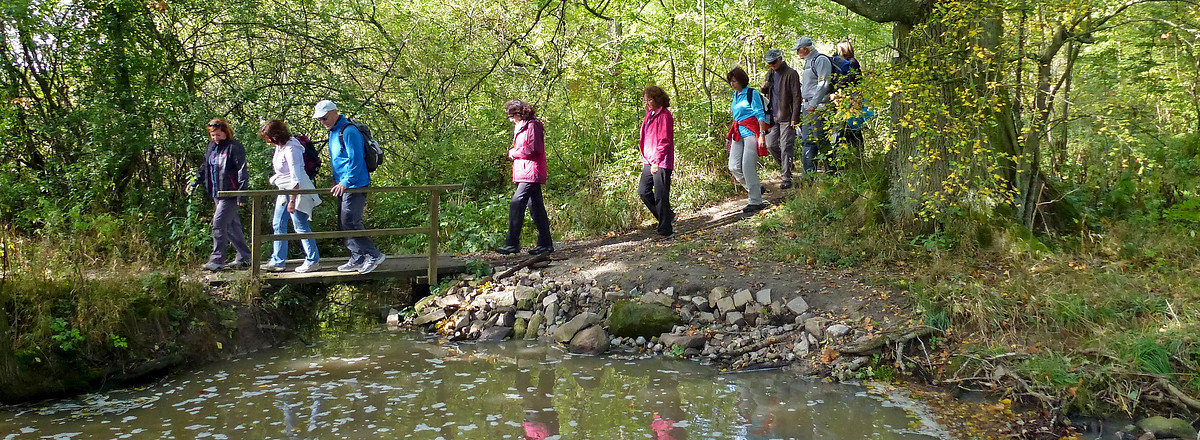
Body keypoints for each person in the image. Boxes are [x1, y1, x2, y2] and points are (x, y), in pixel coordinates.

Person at [312, 100, 386, 274]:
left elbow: (356, 160)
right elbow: (339, 160)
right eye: (320, 119)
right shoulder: (333, 132)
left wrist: (345, 182)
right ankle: (357, 257)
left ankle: (374, 254)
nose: (322, 122)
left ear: (334, 112)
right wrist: (336, 180)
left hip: (355, 184)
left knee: (350, 220)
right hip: (343, 184)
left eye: (324, 118)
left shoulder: (349, 131)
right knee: (344, 222)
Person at [258, 120, 322, 273]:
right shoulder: (280, 147)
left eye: (268, 137)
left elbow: (295, 177)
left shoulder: (292, 149)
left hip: (298, 191)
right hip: (284, 190)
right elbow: (282, 171)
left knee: (300, 225)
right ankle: (278, 260)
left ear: (275, 135)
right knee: (278, 223)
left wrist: (293, 200)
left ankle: (313, 260)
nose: (267, 141)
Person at [187, 118, 251, 272]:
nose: (215, 138)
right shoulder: (211, 147)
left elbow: (242, 170)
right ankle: (245, 257)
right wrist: (194, 182)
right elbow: (205, 167)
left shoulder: (234, 147)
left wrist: (242, 194)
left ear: (226, 133)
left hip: (230, 192)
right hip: (216, 192)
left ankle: (217, 260)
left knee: (219, 224)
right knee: (232, 226)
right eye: (213, 135)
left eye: (218, 135)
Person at [497, 99, 554, 255]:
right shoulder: (522, 127)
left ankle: (512, 243)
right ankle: (545, 244)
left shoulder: (533, 126)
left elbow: (534, 149)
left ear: (519, 113)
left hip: (532, 172)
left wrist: (514, 153)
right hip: (525, 172)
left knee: (516, 204)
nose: (510, 119)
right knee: (536, 208)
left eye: (511, 116)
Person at [724, 67, 769, 213]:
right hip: (737, 133)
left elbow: (760, 114)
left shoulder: (751, 93)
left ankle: (756, 201)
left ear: (741, 80)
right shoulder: (735, 95)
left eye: (734, 81)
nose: (732, 84)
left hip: (751, 133)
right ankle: (756, 188)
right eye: (730, 81)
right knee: (734, 166)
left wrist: (762, 134)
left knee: (747, 166)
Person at [760, 48, 802, 189]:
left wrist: (795, 117)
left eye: (774, 62)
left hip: (787, 116)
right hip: (773, 116)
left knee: (786, 147)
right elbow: (767, 93)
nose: (772, 65)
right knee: (770, 144)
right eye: (769, 63)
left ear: (780, 59)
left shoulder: (791, 74)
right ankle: (787, 165)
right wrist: (764, 88)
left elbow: (797, 97)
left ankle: (786, 177)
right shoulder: (770, 73)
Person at [639, 86, 676, 236]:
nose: (647, 103)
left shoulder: (664, 115)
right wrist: (646, 158)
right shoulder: (650, 114)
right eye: (645, 100)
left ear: (658, 99)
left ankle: (665, 230)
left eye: (650, 99)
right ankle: (667, 216)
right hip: (649, 160)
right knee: (643, 191)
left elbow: (664, 140)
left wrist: (657, 161)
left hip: (661, 161)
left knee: (661, 195)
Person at [794, 36, 833, 176]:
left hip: (818, 106)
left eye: (798, 50)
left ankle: (832, 172)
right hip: (807, 106)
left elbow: (824, 84)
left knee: (820, 139)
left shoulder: (821, 60)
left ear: (805, 49)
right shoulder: (808, 63)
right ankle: (808, 176)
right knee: (807, 141)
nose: (797, 53)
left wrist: (814, 103)